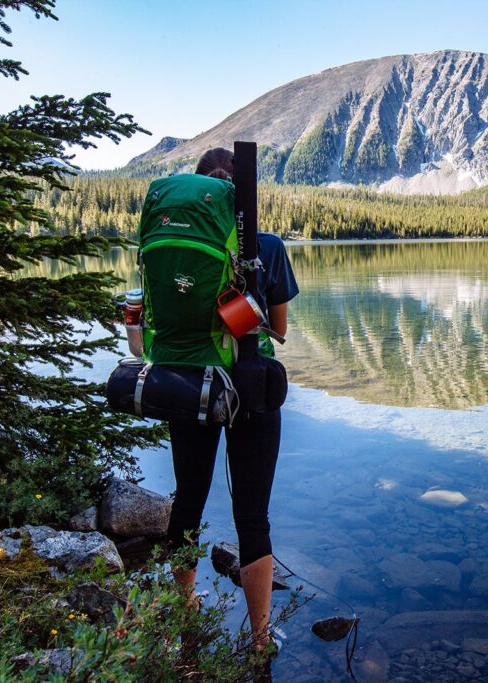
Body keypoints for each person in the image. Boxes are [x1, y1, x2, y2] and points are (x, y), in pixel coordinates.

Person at [164, 147, 299, 651]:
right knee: (253, 515)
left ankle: (185, 610)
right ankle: (261, 637)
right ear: (241, 195)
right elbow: (280, 332)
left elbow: (151, 334)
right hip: (251, 387)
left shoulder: (180, 251)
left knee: (188, 499)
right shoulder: (267, 246)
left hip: (189, 386)